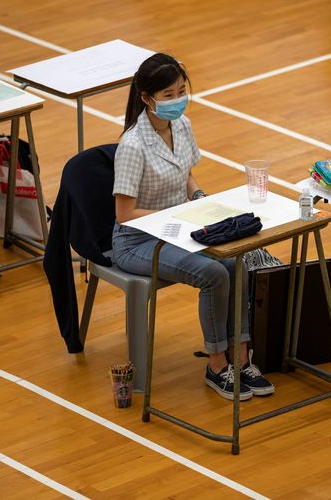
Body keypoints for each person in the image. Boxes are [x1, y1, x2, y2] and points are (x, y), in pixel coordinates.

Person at [111, 53, 273, 401]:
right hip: (138, 241)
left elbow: (186, 173)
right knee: (214, 274)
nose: (177, 100)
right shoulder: (132, 146)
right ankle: (216, 366)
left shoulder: (182, 126)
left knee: (237, 262)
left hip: (177, 228)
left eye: (181, 91)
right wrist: (171, 218)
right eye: (168, 95)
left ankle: (242, 358)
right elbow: (124, 214)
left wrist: (200, 198)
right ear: (146, 99)